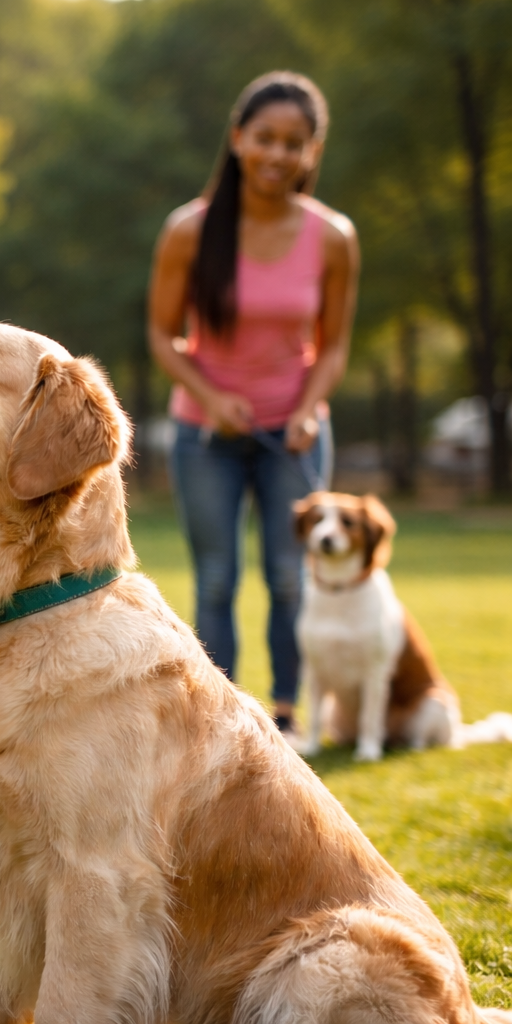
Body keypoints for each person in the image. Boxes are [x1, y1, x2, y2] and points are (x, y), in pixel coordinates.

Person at [147, 71, 359, 738]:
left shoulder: (333, 238)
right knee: (215, 581)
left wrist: (308, 409)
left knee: (292, 578)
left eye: (294, 143)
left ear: (312, 153)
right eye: (264, 138)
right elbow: (161, 333)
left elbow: (332, 348)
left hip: (292, 437)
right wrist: (210, 397)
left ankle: (290, 713)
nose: (277, 154)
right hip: (204, 436)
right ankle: (221, 717)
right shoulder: (189, 230)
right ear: (238, 139)